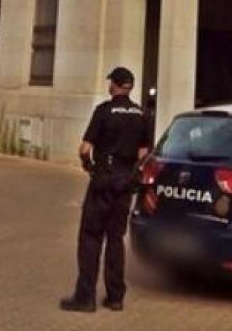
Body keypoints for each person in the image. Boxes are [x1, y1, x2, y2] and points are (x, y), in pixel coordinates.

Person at [60, 67, 150, 313]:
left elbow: (84, 148)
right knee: (116, 239)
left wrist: (88, 167)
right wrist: (133, 175)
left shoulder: (104, 111)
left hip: (103, 180)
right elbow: (143, 153)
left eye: (111, 82)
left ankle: (85, 297)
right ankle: (115, 297)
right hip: (125, 182)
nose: (109, 86)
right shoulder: (142, 114)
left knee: (90, 237)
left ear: (116, 85)